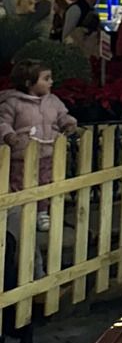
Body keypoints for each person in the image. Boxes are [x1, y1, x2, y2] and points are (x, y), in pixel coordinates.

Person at [0, 58, 79, 228]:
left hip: (48, 151)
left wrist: (68, 122)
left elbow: (61, 115)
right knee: (21, 184)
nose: (51, 82)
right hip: (22, 155)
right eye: (46, 78)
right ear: (29, 82)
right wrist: (9, 135)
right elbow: (3, 122)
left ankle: (42, 213)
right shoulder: (13, 103)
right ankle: (20, 214)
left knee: (45, 182)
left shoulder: (53, 101)